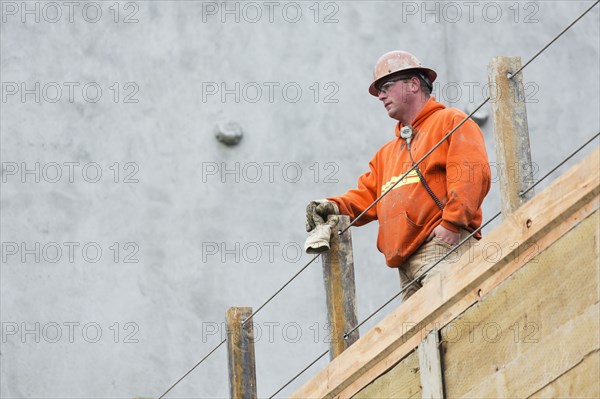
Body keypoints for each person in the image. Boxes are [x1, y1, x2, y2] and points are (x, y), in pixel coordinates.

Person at [305, 50, 491, 301]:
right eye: (379, 89)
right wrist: (332, 206)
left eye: (387, 86)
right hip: (406, 266)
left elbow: (470, 174)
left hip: (444, 247)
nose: (381, 95)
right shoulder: (387, 154)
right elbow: (366, 198)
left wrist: (452, 224)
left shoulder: (449, 121)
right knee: (419, 338)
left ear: (413, 84)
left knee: (456, 321)